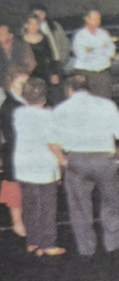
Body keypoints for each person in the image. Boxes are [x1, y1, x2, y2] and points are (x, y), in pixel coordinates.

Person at [52, 75, 119, 257]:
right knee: (111, 202)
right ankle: (113, 243)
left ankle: (86, 249)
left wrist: (63, 160)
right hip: (103, 160)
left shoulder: (61, 109)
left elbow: (52, 141)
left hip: (77, 160)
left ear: (69, 89)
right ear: (87, 88)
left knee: (79, 207)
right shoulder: (106, 104)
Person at [14, 78, 67, 256]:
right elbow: (53, 143)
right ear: (44, 97)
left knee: (30, 205)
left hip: (23, 165)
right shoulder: (49, 116)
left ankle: (33, 242)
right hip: (44, 166)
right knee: (47, 207)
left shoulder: (19, 113)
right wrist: (62, 161)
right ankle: (48, 244)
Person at [0, 67, 30, 238]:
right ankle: (17, 223)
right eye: (21, 83)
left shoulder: (22, 101)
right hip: (16, 151)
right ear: (11, 84)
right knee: (14, 189)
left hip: (22, 150)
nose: (25, 86)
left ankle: (22, 222)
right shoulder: (11, 105)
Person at [70, 10, 116, 98]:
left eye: (99, 19)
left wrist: (93, 50)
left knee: (104, 100)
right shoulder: (80, 36)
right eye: (95, 19)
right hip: (86, 73)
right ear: (87, 20)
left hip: (102, 72)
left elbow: (111, 51)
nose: (98, 21)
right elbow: (83, 56)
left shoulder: (103, 33)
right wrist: (102, 51)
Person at [22, 14, 61, 103]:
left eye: (36, 24)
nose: (34, 26)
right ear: (26, 25)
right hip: (28, 73)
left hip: (45, 72)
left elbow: (51, 57)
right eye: (31, 24)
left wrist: (54, 73)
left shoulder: (44, 38)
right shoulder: (20, 41)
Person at [30, 3, 71, 74]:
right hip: (45, 67)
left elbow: (65, 42)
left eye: (41, 13)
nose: (39, 16)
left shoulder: (55, 25)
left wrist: (62, 59)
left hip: (60, 62)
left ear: (45, 14)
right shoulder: (32, 30)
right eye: (36, 15)